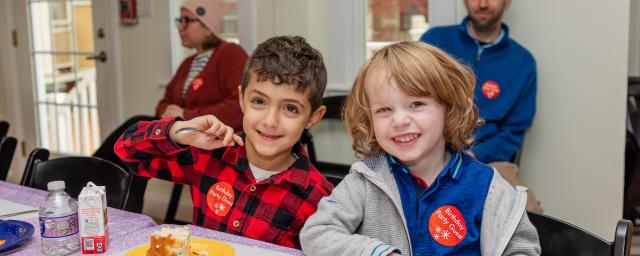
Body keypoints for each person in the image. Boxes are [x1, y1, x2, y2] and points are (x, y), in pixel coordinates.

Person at [300, 42, 540, 256]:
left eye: (416, 104)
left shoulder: (488, 187)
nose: (400, 120)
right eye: (384, 110)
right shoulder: (365, 180)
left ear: (448, 109)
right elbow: (315, 234)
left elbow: (523, 248)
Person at [115, 36, 334, 249]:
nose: (270, 121)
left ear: (313, 117)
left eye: (290, 108)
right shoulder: (209, 156)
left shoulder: (320, 198)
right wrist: (180, 131)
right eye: (259, 101)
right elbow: (128, 152)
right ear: (241, 99)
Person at [419, 0, 542, 212]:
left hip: (488, 162)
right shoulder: (433, 42)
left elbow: (513, 131)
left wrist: (476, 155)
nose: (483, 4)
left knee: (530, 214)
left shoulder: (522, 62)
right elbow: (414, 100)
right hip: (429, 154)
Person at [156, 0, 248, 129]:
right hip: (182, 136)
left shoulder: (230, 53)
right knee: (136, 125)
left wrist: (186, 115)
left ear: (208, 28)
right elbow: (163, 104)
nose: (180, 27)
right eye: (180, 20)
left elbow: (241, 105)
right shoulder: (187, 64)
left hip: (214, 142)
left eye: (186, 20)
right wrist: (173, 115)